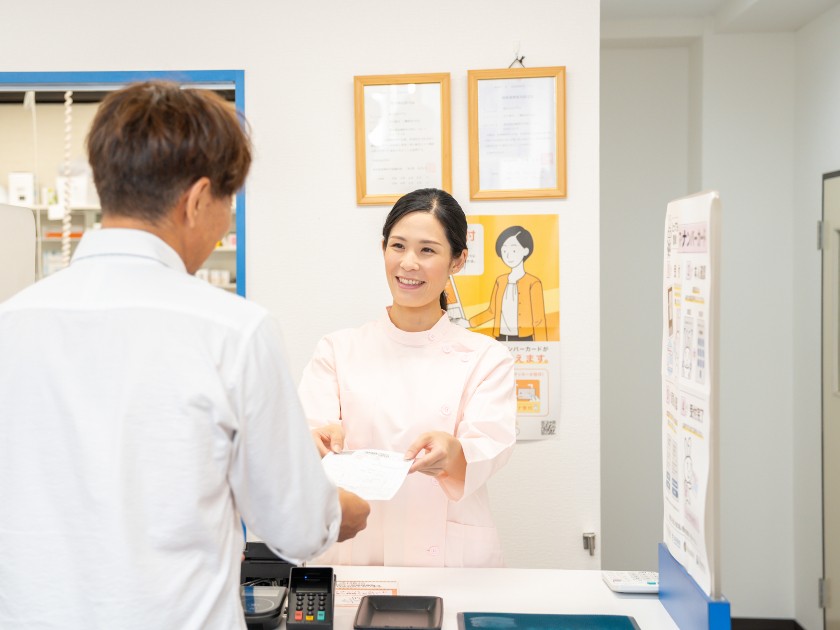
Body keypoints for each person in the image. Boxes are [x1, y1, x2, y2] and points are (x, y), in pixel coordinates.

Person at [0, 81, 369, 630]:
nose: (225, 220)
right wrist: (343, 509)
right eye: (228, 202)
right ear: (197, 201)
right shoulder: (234, 330)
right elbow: (295, 528)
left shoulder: (12, 323)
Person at [298, 188, 516, 568]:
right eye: (398, 246)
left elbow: (490, 445)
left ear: (458, 260)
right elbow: (303, 435)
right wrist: (314, 441)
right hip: (356, 547)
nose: (408, 263)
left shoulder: (486, 358)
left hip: (446, 555)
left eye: (427, 250)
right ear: (383, 248)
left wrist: (453, 452)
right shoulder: (338, 349)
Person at [468, 225, 547, 341]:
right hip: (500, 338)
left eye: (514, 250)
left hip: (525, 339)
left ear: (525, 251)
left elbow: (539, 320)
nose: (508, 255)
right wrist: (468, 323)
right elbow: (492, 311)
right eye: (504, 250)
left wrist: (543, 345)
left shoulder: (533, 283)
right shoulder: (501, 281)